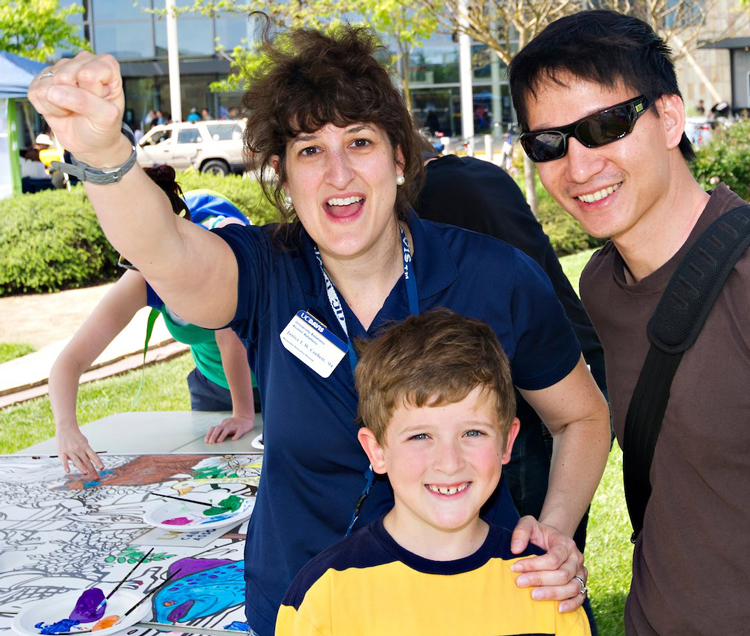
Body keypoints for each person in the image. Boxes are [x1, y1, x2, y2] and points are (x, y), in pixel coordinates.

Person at [30, 22, 610, 636]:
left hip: (473, 606)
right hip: (300, 608)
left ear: (399, 157)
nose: (338, 174)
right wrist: (104, 156)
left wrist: (554, 530)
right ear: (282, 172)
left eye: (359, 142)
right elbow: (168, 251)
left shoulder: (495, 277)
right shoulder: (264, 270)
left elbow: (582, 416)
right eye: (310, 150)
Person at [509, 9, 750, 635]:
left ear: (670, 118)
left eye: (608, 124)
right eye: (549, 143)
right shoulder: (602, 286)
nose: (580, 166)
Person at [277, 309, 593, 636]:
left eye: (473, 433)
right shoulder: (322, 598)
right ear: (377, 451)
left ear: (506, 442)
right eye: (420, 436)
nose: (449, 462)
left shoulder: (546, 584)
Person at [415, 141, 608, 555]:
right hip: (576, 363)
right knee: (558, 538)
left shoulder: (427, 196)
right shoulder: (483, 174)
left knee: (527, 550)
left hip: (531, 390)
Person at [48, 167, 260, 478]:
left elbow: (229, 339)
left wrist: (242, 413)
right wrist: (66, 427)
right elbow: (70, 360)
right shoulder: (139, 278)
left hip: (272, 378)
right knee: (216, 481)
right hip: (213, 385)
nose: (145, 267)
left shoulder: (215, 248)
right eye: (130, 257)